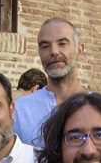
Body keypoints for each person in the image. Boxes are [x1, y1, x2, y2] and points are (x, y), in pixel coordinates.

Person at [13, 18, 88, 148]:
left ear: (79, 50)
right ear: (39, 53)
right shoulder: (19, 111)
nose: (53, 51)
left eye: (62, 43)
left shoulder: (98, 108)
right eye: (45, 46)